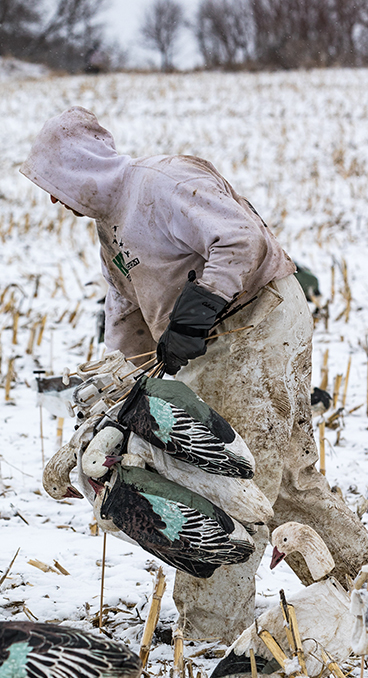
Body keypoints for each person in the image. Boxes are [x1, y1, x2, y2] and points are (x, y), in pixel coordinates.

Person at [20, 105, 368, 642]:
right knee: (287, 477)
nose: (51, 198)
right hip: (217, 338)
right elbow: (126, 310)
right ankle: (356, 585)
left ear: (81, 167)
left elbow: (241, 240)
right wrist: (126, 390)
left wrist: (198, 305)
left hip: (256, 322)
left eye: (53, 183)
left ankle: (211, 631)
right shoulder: (109, 224)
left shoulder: (160, 184)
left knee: (229, 477)